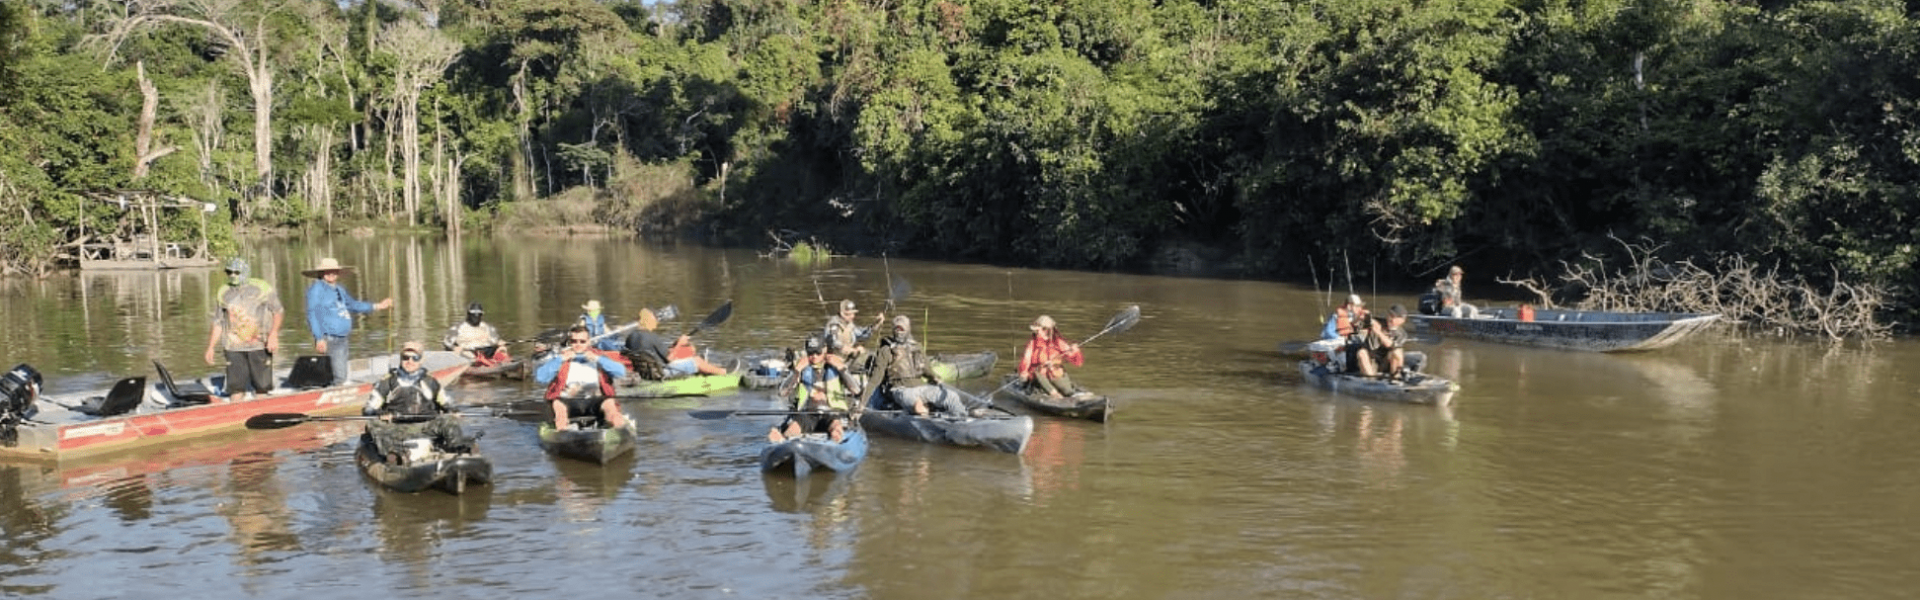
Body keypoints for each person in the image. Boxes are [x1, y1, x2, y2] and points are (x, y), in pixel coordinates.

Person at [362, 341, 471, 462]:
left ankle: (455, 453)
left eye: (415, 358)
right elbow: (369, 409)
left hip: (426, 426)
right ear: (400, 359)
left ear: (421, 360)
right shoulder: (386, 382)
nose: (410, 362)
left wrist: (453, 411)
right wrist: (380, 414)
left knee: (449, 420)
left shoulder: (431, 382)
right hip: (397, 428)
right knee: (373, 425)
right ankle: (393, 457)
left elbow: (448, 403)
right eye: (405, 358)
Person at [304, 257, 393, 385]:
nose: (331, 274)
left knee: (339, 373)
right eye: (327, 271)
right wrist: (318, 338)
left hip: (342, 338)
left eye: (333, 271)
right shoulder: (316, 289)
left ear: (338, 272)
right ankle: (332, 398)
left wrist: (377, 306)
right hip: (329, 338)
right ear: (321, 273)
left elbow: (353, 305)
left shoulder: (339, 289)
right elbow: (312, 314)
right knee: (339, 377)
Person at [204, 258, 284, 401]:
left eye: (236, 272)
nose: (233, 275)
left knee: (262, 388)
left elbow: (278, 311)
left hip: (259, 345)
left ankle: (261, 411)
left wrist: (273, 335)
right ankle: (236, 414)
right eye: (229, 272)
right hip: (233, 347)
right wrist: (210, 347)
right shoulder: (224, 292)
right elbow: (218, 322)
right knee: (235, 390)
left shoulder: (262, 288)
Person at [869, 315, 977, 417]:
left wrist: (934, 378)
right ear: (893, 330)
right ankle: (929, 420)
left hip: (920, 388)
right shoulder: (886, 350)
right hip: (900, 390)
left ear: (908, 329)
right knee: (918, 405)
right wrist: (860, 407)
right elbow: (875, 379)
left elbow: (927, 370)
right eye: (897, 329)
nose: (899, 332)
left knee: (951, 396)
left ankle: (963, 418)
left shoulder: (917, 347)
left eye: (902, 329)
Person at [535, 325, 631, 431]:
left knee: (613, 412)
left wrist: (598, 359)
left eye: (582, 341)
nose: (578, 345)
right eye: (574, 341)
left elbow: (620, 372)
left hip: (596, 400)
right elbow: (541, 377)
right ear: (569, 343)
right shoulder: (560, 357)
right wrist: (560, 359)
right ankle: (563, 433)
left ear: (588, 341)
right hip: (567, 401)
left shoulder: (599, 355)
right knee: (559, 410)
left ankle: (620, 431)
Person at [769, 335, 859, 443]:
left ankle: (836, 439)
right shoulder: (801, 368)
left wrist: (842, 369)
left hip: (832, 413)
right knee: (793, 428)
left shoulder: (835, 367)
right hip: (807, 413)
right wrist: (797, 370)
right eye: (811, 353)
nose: (814, 357)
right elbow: (782, 392)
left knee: (836, 426)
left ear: (825, 350)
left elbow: (856, 390)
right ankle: (785, 442)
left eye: (818, 353)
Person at [621, 308, 726, 380]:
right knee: (697, 360)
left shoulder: (631, 337)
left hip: (644, 373)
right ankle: (723, 372)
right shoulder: (652, 337)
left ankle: (707, 367)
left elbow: (663, 353)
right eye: (654, 320)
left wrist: (676, 344)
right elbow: (670, 359)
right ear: (648, 321)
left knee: (688, 355)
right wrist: (680, 343)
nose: (656, 322)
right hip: (661, 373)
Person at [1018, 315, 1085, 399]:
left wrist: (1075, 352)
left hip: (1055, 375)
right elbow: (1026, 361)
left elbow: (1077, 363)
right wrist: (1024, 374)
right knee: (1036, 372)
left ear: (1046, 330)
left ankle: (1068, 393)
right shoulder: (1032, 344)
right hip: (1038, 378)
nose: (1035, 333)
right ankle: (1053, 393)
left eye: (1037, 330)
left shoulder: (1059, 343)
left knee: (1069, 392)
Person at [823, 299, 883, 373]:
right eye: (850, 314)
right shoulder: (833, 325)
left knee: (872, 358)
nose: (853, 316)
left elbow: (863, 335)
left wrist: (875, 325)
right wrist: (853, 350)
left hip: (847, 359)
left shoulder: (850, 325)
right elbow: (834, 343)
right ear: (842, 314)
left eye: (853, 314)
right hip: (834, 360)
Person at [1351, 305, 1410, 379]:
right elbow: (1355, 327)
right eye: (1389, 315)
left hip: (1387, 362)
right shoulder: (1378, 322)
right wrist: (1359, 317)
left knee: (1397, 352)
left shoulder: (1402, 334)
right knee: (1362, 352)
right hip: (1372, 359)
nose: (1390, 318)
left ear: (1402, 320)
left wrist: (1378, 332)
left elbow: (1391, 345)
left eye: (1394, 317)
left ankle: (1395, 378)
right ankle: (1370, 380)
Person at [443, 302, 510, 367]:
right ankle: (480, 365)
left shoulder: (488, 327)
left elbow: (496, 340)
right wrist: (454, 348)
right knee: (469, 356)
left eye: (479, 315)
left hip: (487, 351)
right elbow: (447, 342)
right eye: (473, 315)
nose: (476, 317)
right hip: (468, 353)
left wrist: (500, 343)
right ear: (469, 314)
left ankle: (507, 365)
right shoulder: (457, 328)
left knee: (502, 349)